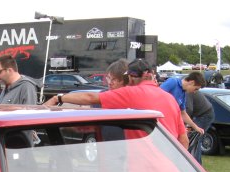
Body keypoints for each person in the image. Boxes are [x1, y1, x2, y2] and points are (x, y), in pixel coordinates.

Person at [43, 59, 189, 149]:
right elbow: (183, 139)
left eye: (113, 79)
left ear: (130, 78)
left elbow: (89, 97)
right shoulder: (170, 99)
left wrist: (58, 98)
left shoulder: (131, 94)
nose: (110, 83)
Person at [159, 71, 206, 135]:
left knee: (184, 140)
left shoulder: (183, 94)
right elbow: (157, 95)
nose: (195, 92)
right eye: (196, 89)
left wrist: (196, 127)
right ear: (192, 82)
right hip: (160, 121)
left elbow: (183, 113)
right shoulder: (173, 82)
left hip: (168, 122)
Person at [185, 90, 214, 164]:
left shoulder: (188, 91)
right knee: (196, 140)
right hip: (204, 114)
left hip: (204, 115)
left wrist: (186, 123)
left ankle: (196, 165)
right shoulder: (186, 90)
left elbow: (189, 109)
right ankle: (197, 165)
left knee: (195, 140)